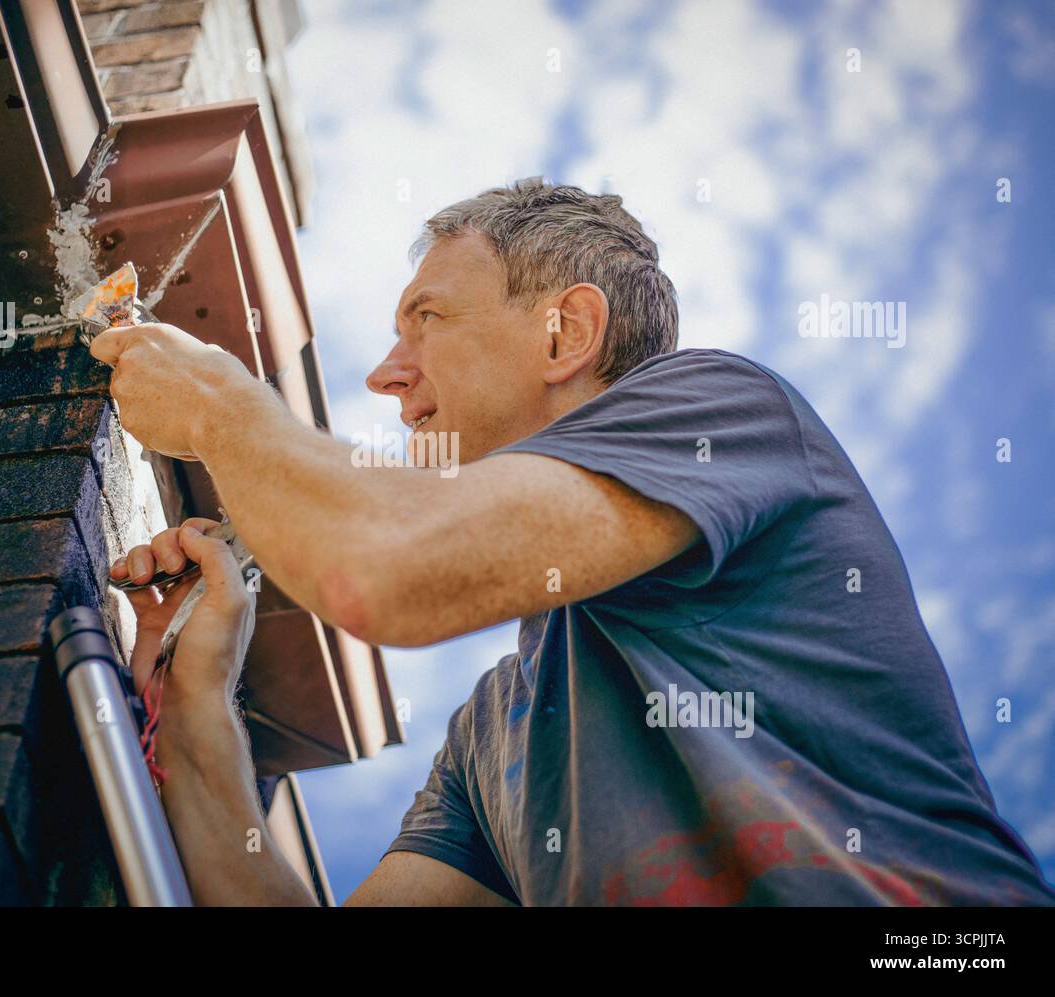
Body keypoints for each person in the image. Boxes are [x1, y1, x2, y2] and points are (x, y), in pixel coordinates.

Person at [92, 178, 1055, 906]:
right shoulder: (494, 735)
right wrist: (196, 702)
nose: (389, 373)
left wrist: (222, 410)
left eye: (426, 319)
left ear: (566, 332)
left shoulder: (722, 411)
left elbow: (386, 568)